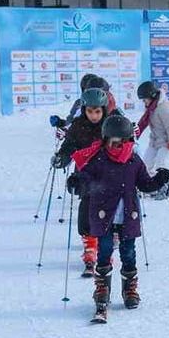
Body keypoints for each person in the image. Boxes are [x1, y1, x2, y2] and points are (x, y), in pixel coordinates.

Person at [66, 114, 169, 322]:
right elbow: (85, 179)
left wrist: (159, 179)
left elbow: (145, 184)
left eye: (122, 142)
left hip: (127, 216)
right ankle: (102, 288)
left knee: (129, 253)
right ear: (105, 140)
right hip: (103, 216)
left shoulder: (133, 161)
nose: (117, 146)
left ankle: (130, 289)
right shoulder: (98, 159)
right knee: (104, 251)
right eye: (113, 142)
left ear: (128, 141)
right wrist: (77, 182)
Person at [53, 87, 110, 278]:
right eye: (90, 111)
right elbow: (69, 146)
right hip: (85, 174)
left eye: (97, 112)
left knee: (106, 212)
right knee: (86, 210)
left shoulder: (110, 125)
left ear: (103, 110)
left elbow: (123, 144)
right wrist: (62, 158)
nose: (94, 116)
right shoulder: (78, 126)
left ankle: (105, 247)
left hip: (108, 174)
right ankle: (89, 247)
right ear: (84, 109)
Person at [134, 81, 169, 177]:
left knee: (160, 165)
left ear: (152, 95)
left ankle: (164, 187)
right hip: (154, 142)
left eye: (144, 99)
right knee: (145, 166)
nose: (144, 102)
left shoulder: (163, 108)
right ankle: (149, 185)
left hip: (166, 143)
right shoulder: (151, 108)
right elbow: (143, 123)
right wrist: (135, 133)